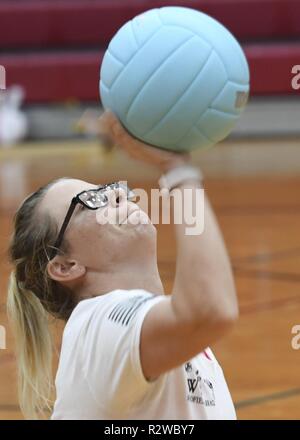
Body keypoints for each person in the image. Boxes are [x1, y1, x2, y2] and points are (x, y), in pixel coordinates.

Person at [7, 111, 238, 420]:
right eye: (90, 199)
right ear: (65, 266)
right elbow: (211, 309)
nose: (116, 194)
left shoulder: (148, 327)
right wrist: (177, 170)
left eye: (106, 188)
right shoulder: (98, 325)